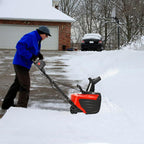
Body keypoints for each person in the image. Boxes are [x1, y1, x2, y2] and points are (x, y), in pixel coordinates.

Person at [1, 26, 51, 110]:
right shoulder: (31, 36)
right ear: (42, 33)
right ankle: (21, 107)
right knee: (25, 85)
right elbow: (19, 46)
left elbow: (32, 48)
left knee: (17, 84)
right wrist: (30, 56)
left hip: (24, 64)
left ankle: (6, 104)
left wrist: (38, 54)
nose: (46, 37)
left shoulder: (37, 39)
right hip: (20, 64)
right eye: (46, 35)